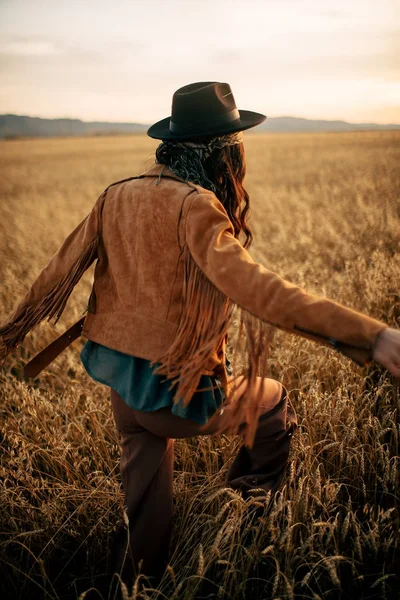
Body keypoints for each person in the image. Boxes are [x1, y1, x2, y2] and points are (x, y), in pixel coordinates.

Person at [0, 82, 399, 588]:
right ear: (222, 150)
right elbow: (264, 292)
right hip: (176, 395)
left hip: (121, 385)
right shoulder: (196, 206)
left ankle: (136, 585)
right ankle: (250, 512)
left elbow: (55, 272)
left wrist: (9, 332)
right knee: (271, 403)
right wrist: (373, 336)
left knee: (146, 532)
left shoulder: (116, 194)